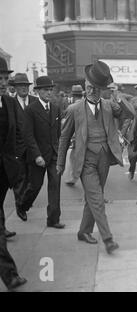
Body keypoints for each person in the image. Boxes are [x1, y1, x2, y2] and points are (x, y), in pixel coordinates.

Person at [57, 60, 135, 254]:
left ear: (102, 89)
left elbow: (131, 114)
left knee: (92, 199)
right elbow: (64, 138)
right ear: (85, 85)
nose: (92, 91)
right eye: (89, 87)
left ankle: (83, 231)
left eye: (96, 88)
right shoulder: (74, 109)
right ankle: (108, 239)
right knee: (97, 198)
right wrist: (60, 164)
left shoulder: (109, 105)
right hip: (84, 160)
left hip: (104, 159)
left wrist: (117, 95)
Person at [19, 76, 65, 228]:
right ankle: (22, 205)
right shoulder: (30, 110)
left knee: (55, 185)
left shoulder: (55, 108)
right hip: (37, 156)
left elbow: (58, 133)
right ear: (38, 91)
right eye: (45, 90)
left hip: (53, 155)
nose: (49, 92)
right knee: (35, 186)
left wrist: (58, 152)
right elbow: (28, 135)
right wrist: (37, 155)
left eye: (51, 90)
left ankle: (53, 219)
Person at [0, 58, 28, 290]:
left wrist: (16, 159)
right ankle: (9, 275)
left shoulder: (8, 103)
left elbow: (18, 132)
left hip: (5, 171)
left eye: (4, 78)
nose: (2, 82)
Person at [11, 73, 38, 223]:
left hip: (34, 147)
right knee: (20, 177)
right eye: (20, 86)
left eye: (25, 86)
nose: (23, 88)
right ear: (15, 88)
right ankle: (20, 205)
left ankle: (26, 200)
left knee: (33, 178)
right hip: (17, 148)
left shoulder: (35, 101)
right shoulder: (10, 102)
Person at [64, 85, 84, 186]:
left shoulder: (71, 108)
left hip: (77, 137)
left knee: (73, 158)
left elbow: (67, 126)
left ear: (72, 96)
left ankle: (73, 177)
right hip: (89, 137)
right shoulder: (88, 105)